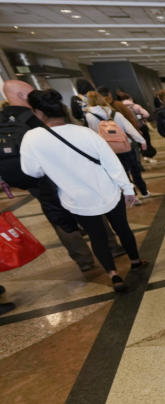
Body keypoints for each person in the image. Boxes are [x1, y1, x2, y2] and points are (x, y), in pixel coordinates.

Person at [21, 89, 147, 293]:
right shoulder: (85, 132)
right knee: (122, 228)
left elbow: (31, 171)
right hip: (108, 191)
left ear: (38, 113)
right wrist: (127, 188)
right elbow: (111, 163)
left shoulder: (32, 138)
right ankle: (135, 261)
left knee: (97, 237)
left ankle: (114, 275)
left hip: (76, 199)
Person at [1, 79, 120, 273]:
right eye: (31, 93)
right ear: (23, 96)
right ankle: (111, 248)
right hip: (62, 175)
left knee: (58, 218)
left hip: (32, 180)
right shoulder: (36, 117)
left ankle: (83, 260)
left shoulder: (3, 120)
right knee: (90, 209)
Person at [84, 91, 150, 201]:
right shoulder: (115, 113)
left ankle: (133, 195)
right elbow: (129, 128)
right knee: (135, 169)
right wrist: (142, 141)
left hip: (108, 149)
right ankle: (144, 192)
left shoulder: (89, 116)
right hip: (125, 145)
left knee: (121, 172)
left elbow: (93, 133)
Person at [117, 90, 156, 163]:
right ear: (130, 98)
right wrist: (142, 118)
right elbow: (147, 114)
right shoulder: (135, 106)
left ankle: (140, 157)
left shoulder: (120, 108)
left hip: (130, 128)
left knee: (136, 144)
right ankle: (147, 155)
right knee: (146, 141)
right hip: (141, 126)